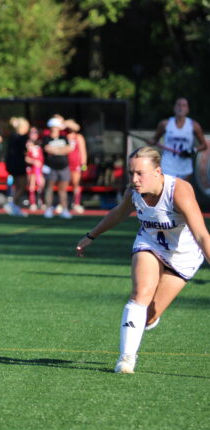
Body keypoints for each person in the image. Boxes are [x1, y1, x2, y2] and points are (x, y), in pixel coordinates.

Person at [76, 146, 209, 374]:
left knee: (148, 316)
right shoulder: (133, 192)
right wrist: (91, 235)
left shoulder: (179, 190)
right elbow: (117, 213)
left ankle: (147, 319)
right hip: (149, 245)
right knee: (140, 294)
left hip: (184, 257)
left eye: (140, 173)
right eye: (131, 173)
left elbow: (201, 234)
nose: (135, 179)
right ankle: (126, 359)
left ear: (157, 171)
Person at [148, 97, 207, 182]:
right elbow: (154, 140)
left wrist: (192, 150)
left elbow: (204, 145)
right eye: (178, 105)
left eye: (184, 105)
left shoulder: (194, 125)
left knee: (181, 194)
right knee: (168, 193)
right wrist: (152, 141)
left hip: (185, 168)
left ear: (187, 109)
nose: (181, 107)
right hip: (167, 166)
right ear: (174, 108)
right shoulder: (165, 124)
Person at [41, 116, 73, 219]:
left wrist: (56, 150)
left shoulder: (64, 138)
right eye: (53, 127)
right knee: (49, 188)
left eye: (56, 127)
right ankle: (49, 209)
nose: (55, 129)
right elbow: (47, 149)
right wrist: (60, 150)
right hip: (51, 167)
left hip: (64, 167)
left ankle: (64, 209)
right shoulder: (46, 138)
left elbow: (68, 149)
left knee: (63, 189)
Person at [4, 117, 30, 216]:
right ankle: (11, 204)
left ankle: (16, 207)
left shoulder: (12, 136)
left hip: (12, 163)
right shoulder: (21, 137)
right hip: (19, 163)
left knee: (18, 186)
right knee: (22, 186)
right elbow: (24, 151)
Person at [64, 119, 88, 213]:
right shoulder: (64, 136)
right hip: (65, 163)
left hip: (76, 164)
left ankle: (76, 203)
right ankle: (63, 204)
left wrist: (84, 164)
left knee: (76, 183)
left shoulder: (78, 137)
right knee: (64, 184)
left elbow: (83, 151)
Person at [25, 128, 45, 212]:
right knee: (32, 185)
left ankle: (42, 202)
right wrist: (33, 161)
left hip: (40, 168)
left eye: (35, 133)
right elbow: (26, 158)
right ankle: (32, 203)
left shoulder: (40, 143)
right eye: (32, 133)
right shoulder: (27, 144)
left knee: (41, 184)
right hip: (32, 168)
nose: (34, 135)